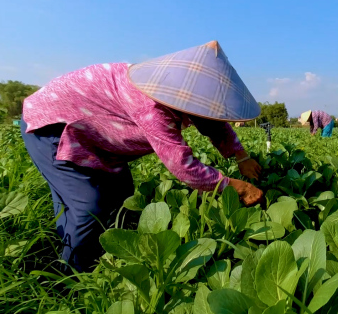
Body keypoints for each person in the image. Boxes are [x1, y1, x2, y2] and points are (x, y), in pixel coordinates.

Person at [20, 41, 264, 272]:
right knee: (86, 204)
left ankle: (105, 250)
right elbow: (182, 164)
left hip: (94, 133)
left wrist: (241, 156)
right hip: (51, 127)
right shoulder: (152, 106)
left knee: (120, 191)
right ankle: (73, 272)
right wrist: (233, 187)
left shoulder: (176, 90)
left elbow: (211, 120)